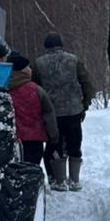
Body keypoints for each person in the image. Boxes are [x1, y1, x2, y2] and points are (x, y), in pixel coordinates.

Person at [34, 32, 93, 190]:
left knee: (55, 144)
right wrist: (85, 104)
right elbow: (86, 83)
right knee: (75, 143)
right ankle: (74, 180)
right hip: (74, 110)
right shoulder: (74, 60)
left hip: (51, 113)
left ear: (46, 46)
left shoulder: (38, 63)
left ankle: (58, 181)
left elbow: (35, 88)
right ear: (61, 45)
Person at [7, 54, 58, 167]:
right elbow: (48, 113)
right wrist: (53, 136)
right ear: (22, 70)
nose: (31, 70)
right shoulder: (36, 90)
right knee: (32, 168)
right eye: (28, 67)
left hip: (12, 141)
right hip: (35, 139)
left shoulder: (3, 89)